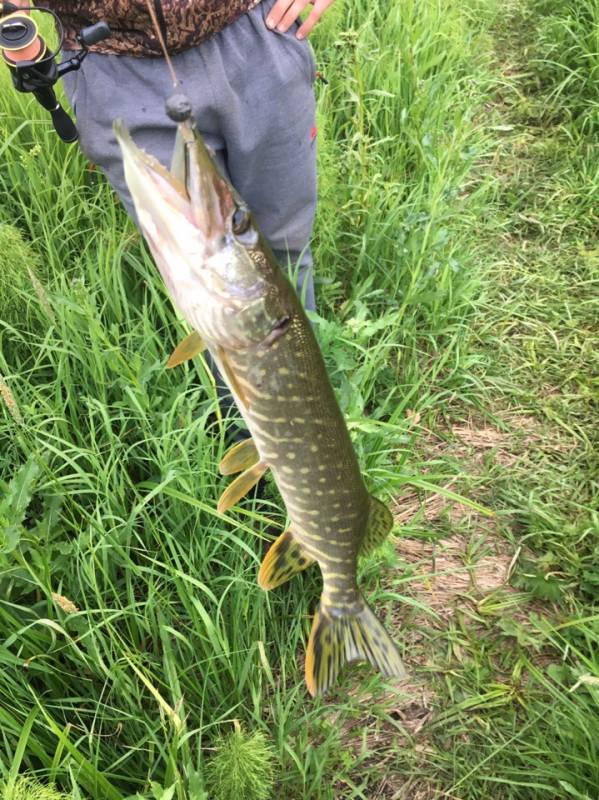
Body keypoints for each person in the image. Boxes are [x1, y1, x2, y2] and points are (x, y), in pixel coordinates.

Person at [10, 0, 336, 434]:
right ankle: (254, 454)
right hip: (116, 63)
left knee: (284, 252)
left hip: (256, 36)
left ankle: (312, 432)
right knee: (205, 284)